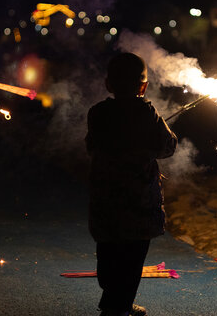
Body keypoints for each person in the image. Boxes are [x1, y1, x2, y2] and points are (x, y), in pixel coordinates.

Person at [86, 53, 177, 316]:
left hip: (105, 203)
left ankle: (113, 301)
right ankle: (119, 308)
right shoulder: (147, 112)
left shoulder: (97, 113)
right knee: (132, 258)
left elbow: (91, 146)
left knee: (108, 253)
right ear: (143, 87)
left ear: (108, 84)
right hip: (139, 206)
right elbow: (168, 147)